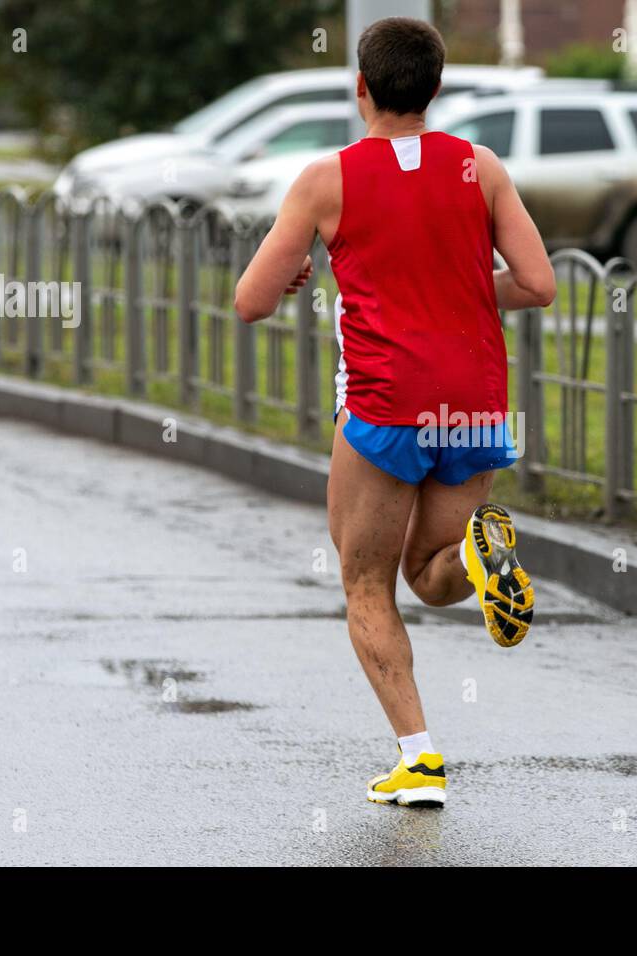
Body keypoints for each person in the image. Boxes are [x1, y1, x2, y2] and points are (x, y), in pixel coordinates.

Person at [234, 16, 556, 808]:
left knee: (368, 584)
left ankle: (419, 759)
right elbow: (538, 283)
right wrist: (466, 291)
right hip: (474, 402)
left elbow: (248, 304)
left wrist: (294, 278)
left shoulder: (326, 180)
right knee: (430, 574)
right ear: (437, 90)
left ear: (360, 87)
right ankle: (481, 563)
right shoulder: (479, 169)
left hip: (386, 405)